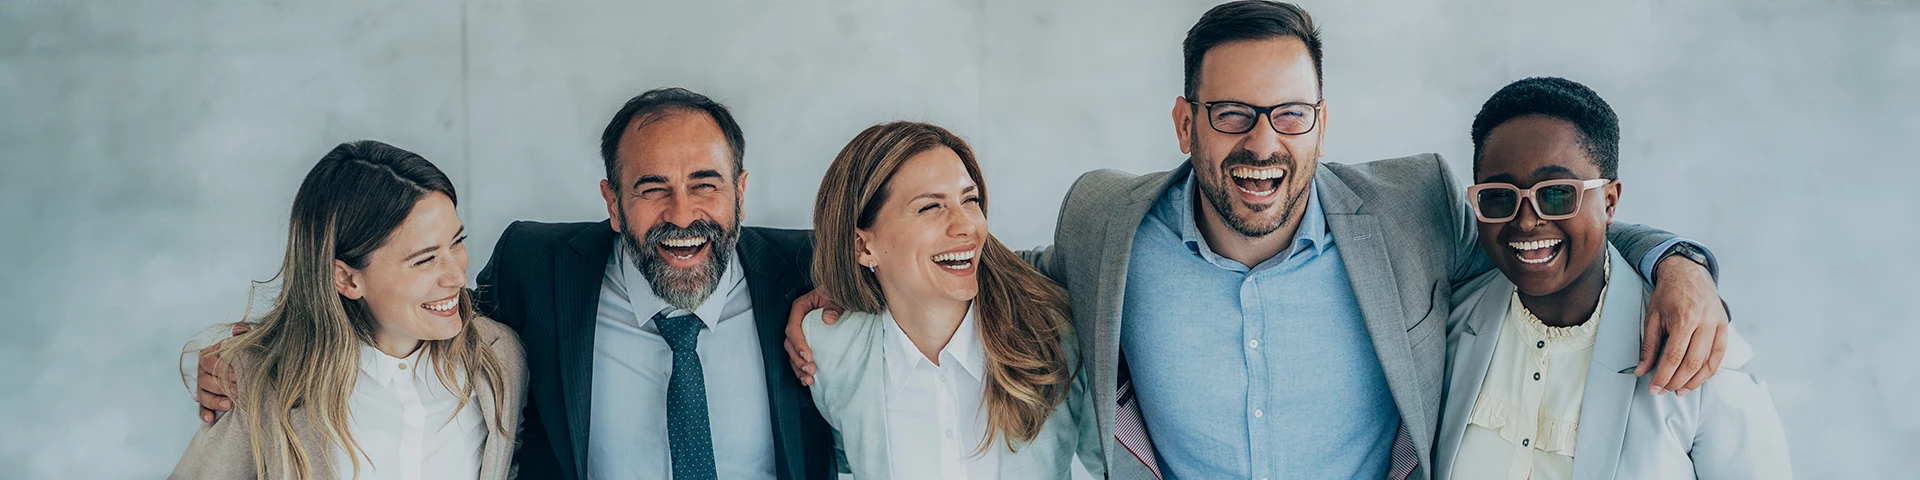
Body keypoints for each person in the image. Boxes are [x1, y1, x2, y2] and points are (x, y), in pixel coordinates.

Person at [786, 2, 1738, 479]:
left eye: (1289, 115)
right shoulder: (1104, 221)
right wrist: (829, 289)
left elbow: (1536, 222)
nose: (1262, 143)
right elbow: (987, 271)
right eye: (1234, 114)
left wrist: (1675, 262)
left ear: (1323, 122)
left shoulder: (1411, 206)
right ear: (1185, 122)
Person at [196, 89, 837, 480]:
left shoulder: (807, 270)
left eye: (705, 183)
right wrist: (250, 356)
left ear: (741, 192)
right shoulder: (537, 267)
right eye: (651, 189)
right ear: (612, 203)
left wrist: (838, 296)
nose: (681, 212)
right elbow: (417, 312)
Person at [1432, 77, 1790, 480]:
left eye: (1557, 194)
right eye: (1500, 196)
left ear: (1609, 200)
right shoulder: (1448, 327)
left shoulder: (1697, 347)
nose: (1527, 220)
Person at [171, 140, 527, 480]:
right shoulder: (261, 381)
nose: (457, 275)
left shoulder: (498, 358)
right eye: (426, 259)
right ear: (347, 279)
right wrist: (250, 364)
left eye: (457, 242)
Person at [799, 122, 1102, 478]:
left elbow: (1122, 466)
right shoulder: (827, 350)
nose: (966, 226)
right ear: (863, 246)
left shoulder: (1059, 337)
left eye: (969, 200)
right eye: (930, 207)